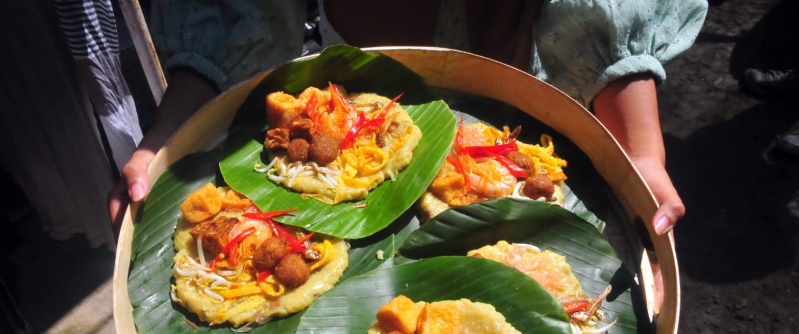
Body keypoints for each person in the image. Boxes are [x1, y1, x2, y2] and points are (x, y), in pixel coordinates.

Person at [109, 0, 708, 239]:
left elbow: (609, 7)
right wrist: (169, 133)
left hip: (513, 104)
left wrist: (642, 154)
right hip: (356, 91)